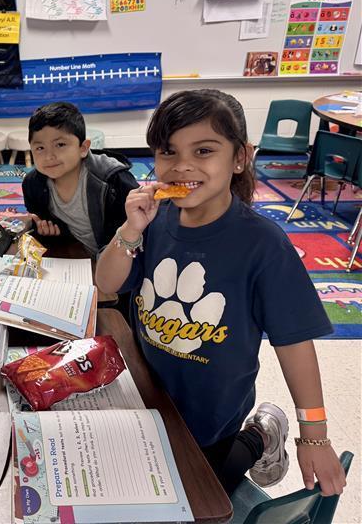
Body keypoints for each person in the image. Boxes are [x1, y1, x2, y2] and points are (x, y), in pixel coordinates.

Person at [95, 89, 347, 496]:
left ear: (240, 157)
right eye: (168, 152)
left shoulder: (263, 245)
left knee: (202, 494)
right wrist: (129, 231)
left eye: (204, 151)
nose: (182, 166)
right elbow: (106, 284)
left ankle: (262, 435)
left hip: (214, 413)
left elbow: (295, 343)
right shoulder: (154, 222)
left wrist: (313, 436)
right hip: (150, 392)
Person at [22, 101, 138, 256]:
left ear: (83, 148)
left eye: (60, 144)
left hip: (122, 258)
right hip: (78, 257)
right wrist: (48, 231)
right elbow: (44, 224)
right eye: (40, 148)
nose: (49, 156)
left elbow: (142, 229)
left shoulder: (114, 181)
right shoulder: (32, 184)